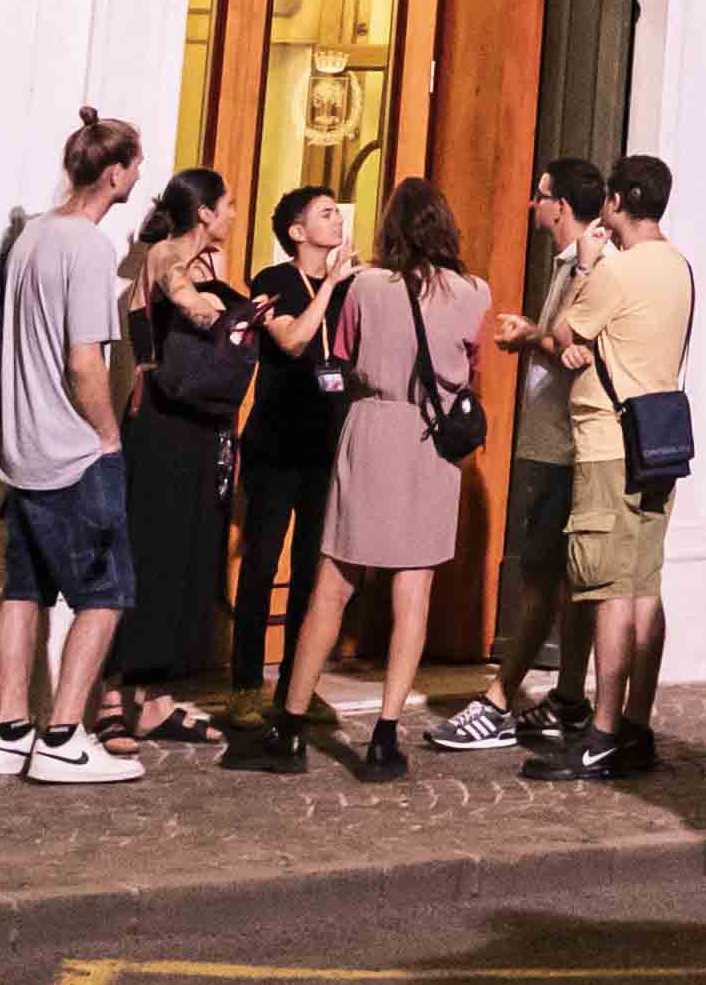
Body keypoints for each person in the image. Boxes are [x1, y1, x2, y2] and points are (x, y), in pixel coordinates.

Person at [270, 177, 486, 775]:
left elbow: (341, 357)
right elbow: (470, 368)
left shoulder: (365, 287)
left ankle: (287, 728)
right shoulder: (474, 292)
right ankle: (385, 735)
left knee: (332, 586)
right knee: (411, 593)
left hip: (370, 430)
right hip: (429, 444)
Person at [0, 108, 154, 786]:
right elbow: (84, 361)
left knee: (23, 588)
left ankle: (10, 731)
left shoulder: (31, 236)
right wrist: (107, 436)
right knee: (106, 590)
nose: (140, 177)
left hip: (21, 450)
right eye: (136, 166)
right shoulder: (87, 248)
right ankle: (61, 735)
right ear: (113, 172)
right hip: (71, 452)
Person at [545, 151, 695, 777]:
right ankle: (635, 726)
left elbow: (562, 332)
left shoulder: (620, 272)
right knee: (644, 590)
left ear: (620, 201)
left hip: (610, 441)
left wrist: (583, 269)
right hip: (659, 444)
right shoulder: (681, 267)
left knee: (609, 592)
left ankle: (600, 732)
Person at [442, 157, 596, 755]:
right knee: (562, 575)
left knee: (541, 572)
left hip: (565, 445)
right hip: (552, 439)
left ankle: (502, 697)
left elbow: (573, 345)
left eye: (541, 196)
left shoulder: (593, 265)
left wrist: (530, 336)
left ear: (560, 205)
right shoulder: (567, 264)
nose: (533, 205)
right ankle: (568, 699)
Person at [102, 168, 251, 743]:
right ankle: (111, 698)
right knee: (146, 555)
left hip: (200, 424)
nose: (234, 214)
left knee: (186, 559)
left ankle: (158, 701)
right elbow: (178, 292)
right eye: (229, 204)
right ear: (205, 213)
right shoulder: (166, 255)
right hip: (159, 426)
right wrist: (203, 308)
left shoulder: (209, 265)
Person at [229, 187, 352, 716]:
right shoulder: (273, 280)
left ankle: (296, 689)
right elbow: (295, 341)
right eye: (325, 213)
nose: (337, 219)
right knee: (260, 564)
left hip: (327, 443)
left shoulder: (352, 287)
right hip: (275, 443)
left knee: (311, 570)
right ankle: (243, 686)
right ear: (297, 232)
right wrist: (327, 288)